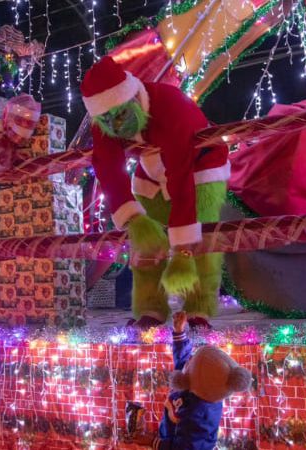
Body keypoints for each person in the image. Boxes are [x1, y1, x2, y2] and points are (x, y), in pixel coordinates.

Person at [81, 56, 230, 330]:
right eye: (107, 120)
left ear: (134, 98)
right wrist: (133, 219)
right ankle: (150, 308)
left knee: (200, 238)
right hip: (151, 172)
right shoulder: (106, 117)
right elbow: (108, 168)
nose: (116, 126)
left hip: (201, 166)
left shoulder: (170, 105)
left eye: (122, 115)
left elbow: (181, 173)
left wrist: (182, 248)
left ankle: (199, 308)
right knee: (146, 245)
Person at [133, 312, 252, 449]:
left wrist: (153, 442)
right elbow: (182, 360)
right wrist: (179, 332)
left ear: (194, 379)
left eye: (191, 362)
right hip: (168, 436)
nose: (188, 360)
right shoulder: (199, 386)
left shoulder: (197, 416)